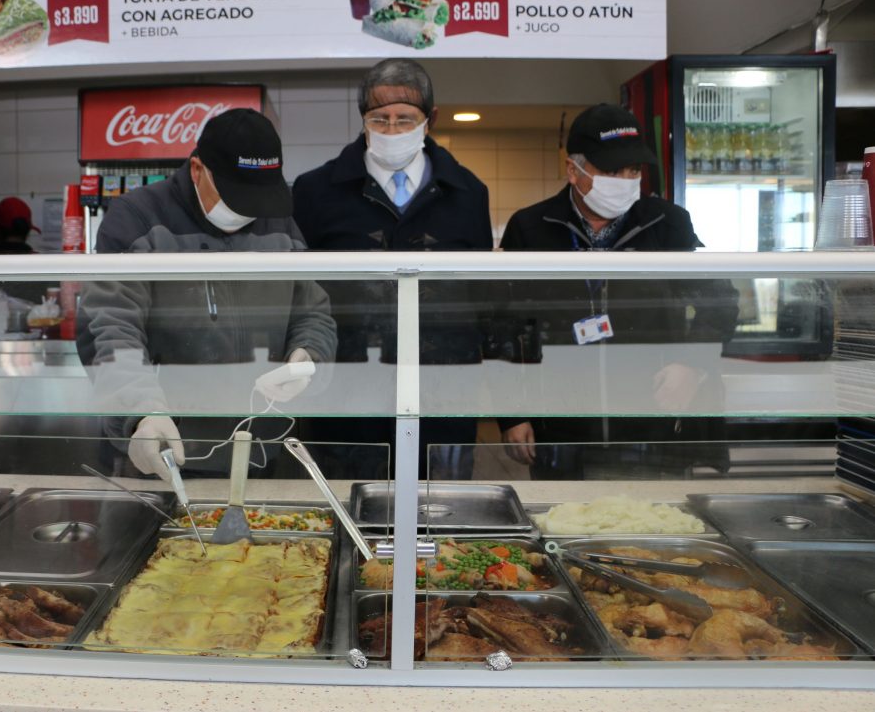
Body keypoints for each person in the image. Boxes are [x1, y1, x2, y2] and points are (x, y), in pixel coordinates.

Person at [76, 108, 337, 480]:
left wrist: (307, 356)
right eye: (237, 197)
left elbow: (313, 312)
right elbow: (110, 329)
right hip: (161, 451)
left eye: (257, 199)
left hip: (261, 452)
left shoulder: (279, 222)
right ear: (198, 170)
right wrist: (142, 412)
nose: (249, 212)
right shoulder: (136, 219)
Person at [497, 103, 740, 479]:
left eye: (633, 170)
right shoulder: (531, 228)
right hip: (560, 428)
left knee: (650, 530)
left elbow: (720, 302)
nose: (625, 180)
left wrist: (692, 364)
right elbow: (505, 325)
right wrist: (512, 414)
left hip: (651, 425)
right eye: (611, 170)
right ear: (573, 171)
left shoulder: (666, 223)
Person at [292, 58, 493, 479]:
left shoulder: (468, 193)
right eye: (379, 119)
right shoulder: (315, 191)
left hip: (445, 391)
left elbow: (481, 294)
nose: (392, 130)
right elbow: (302, 292)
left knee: (440, 514)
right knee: (351, 509)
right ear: (362, 120)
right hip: (346, 392)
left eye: (405, 119)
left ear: (430, 120)